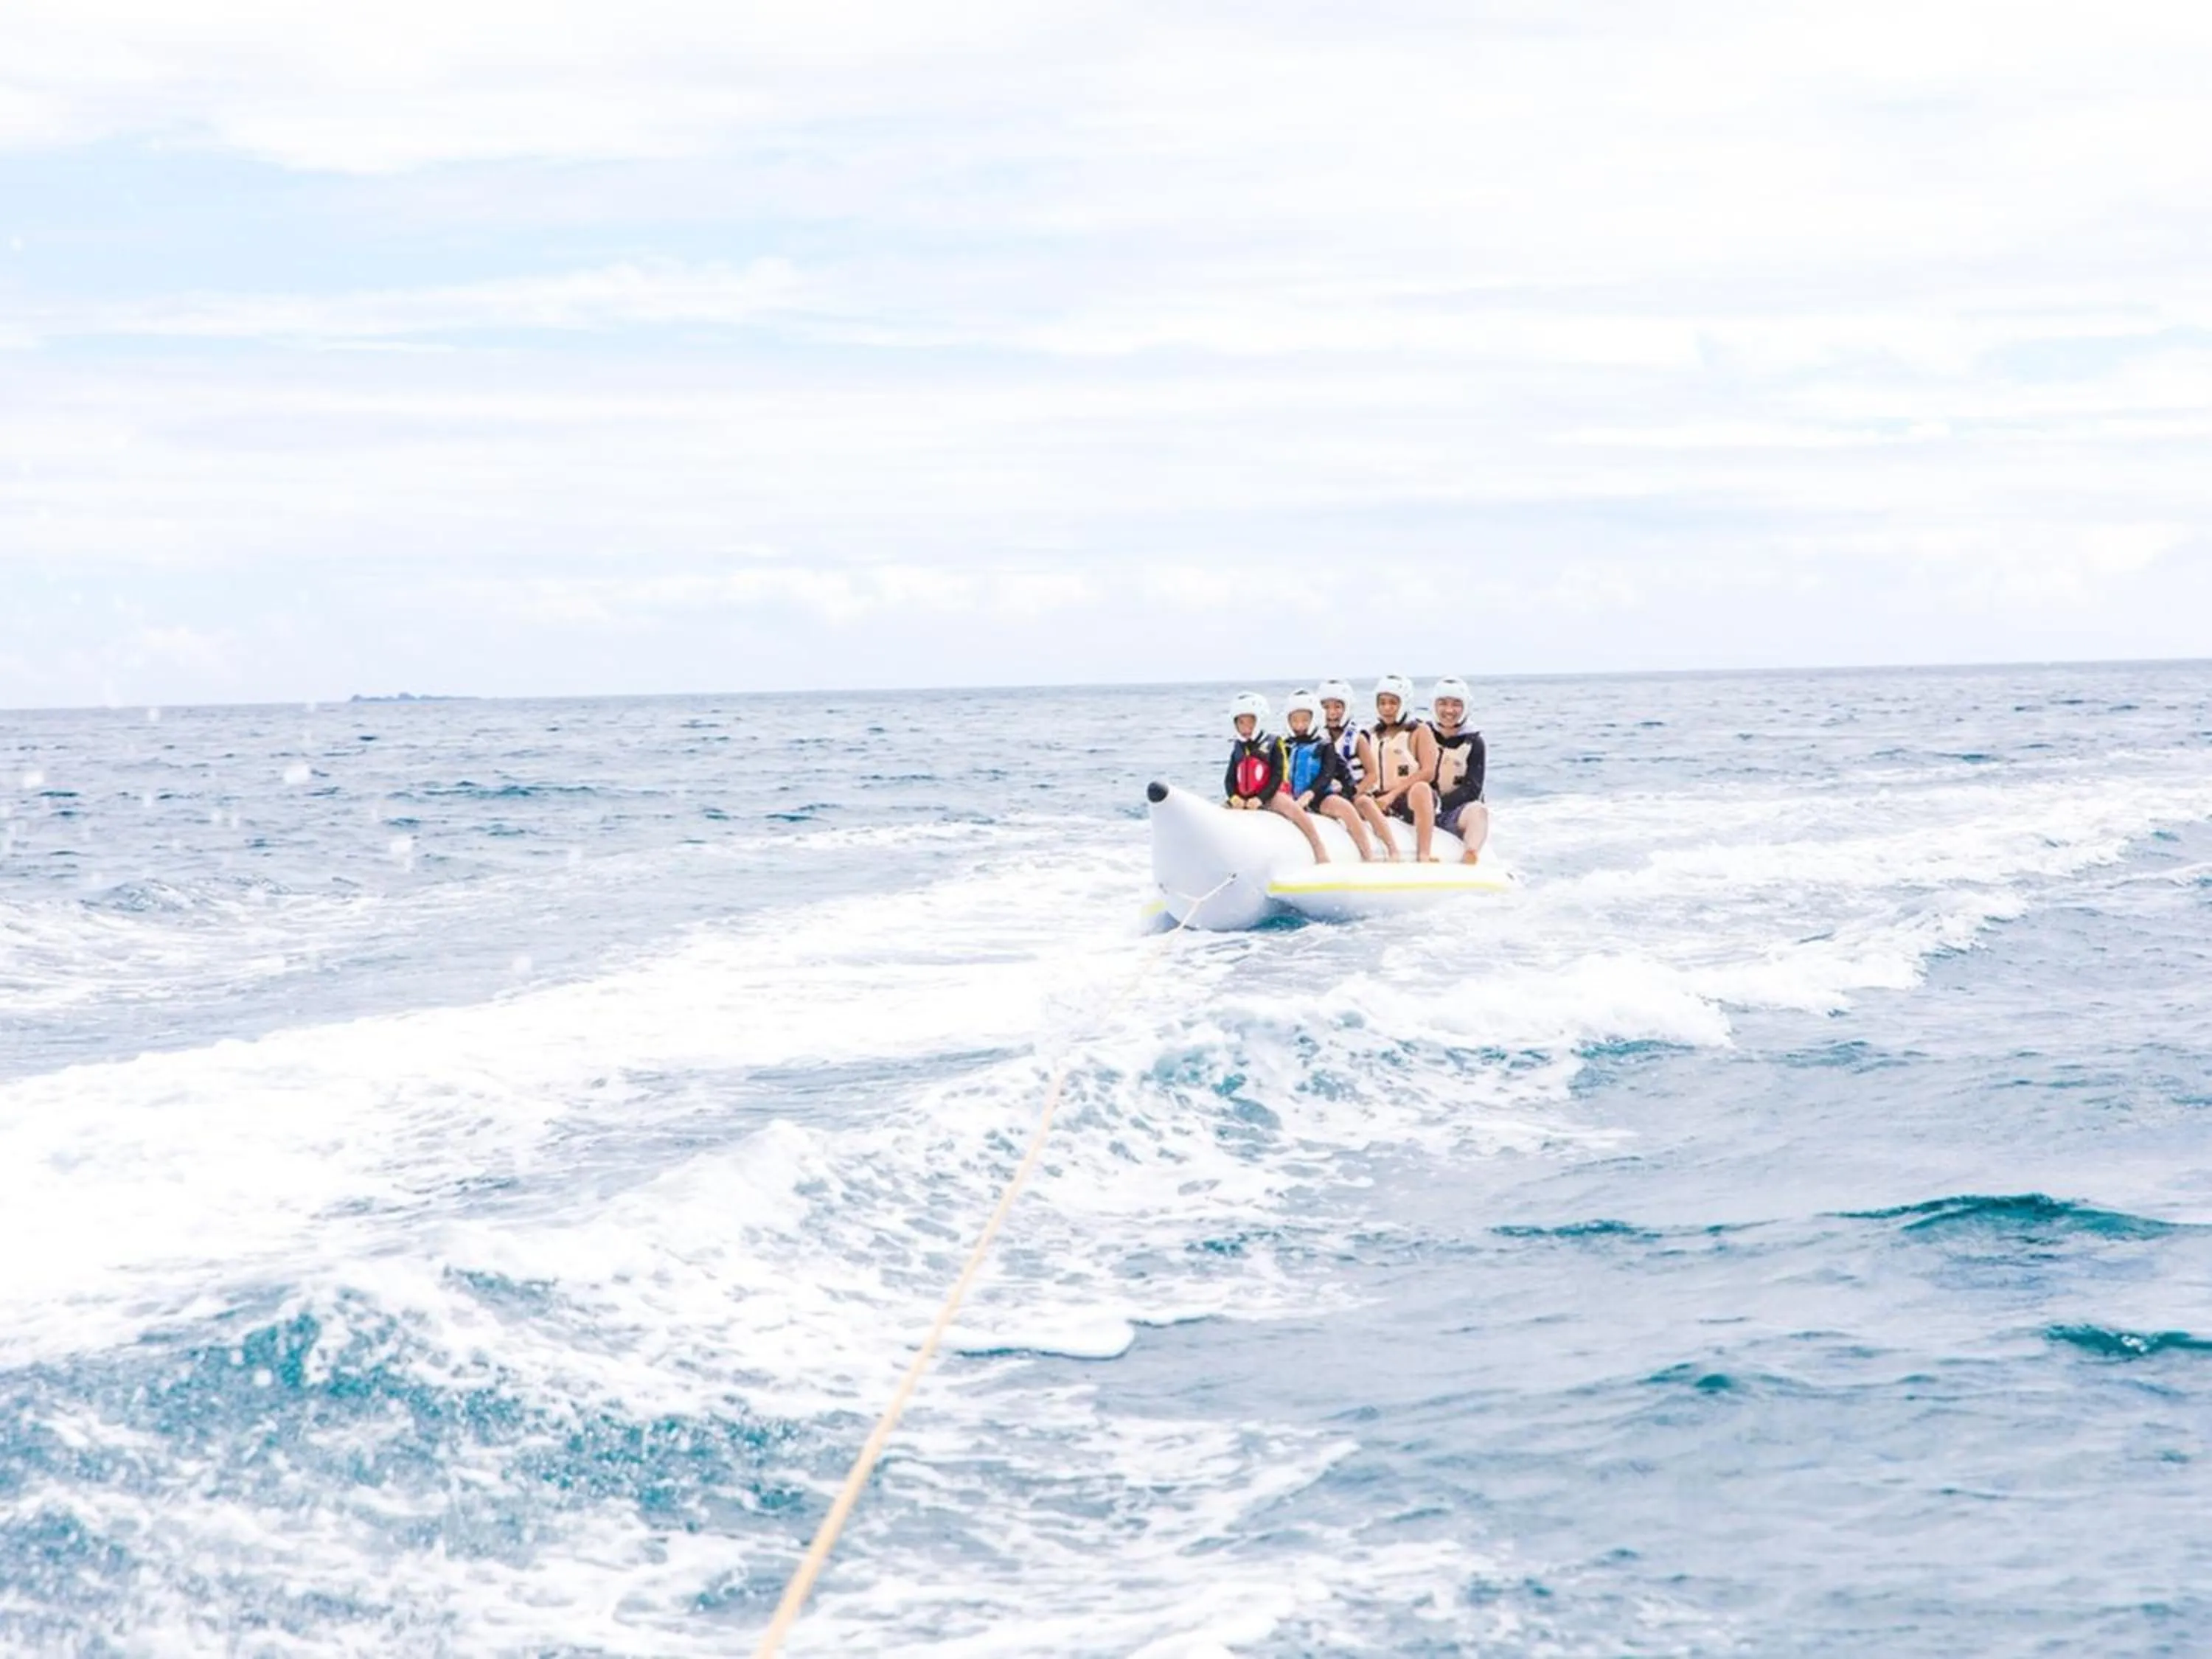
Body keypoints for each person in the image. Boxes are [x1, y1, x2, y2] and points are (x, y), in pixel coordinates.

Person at [1222, 692, 1330, 863]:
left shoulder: (1273, 743)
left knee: (1292, 809)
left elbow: (1277, 776)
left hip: (1271, 794)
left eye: (1251, 722)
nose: (1246, 728)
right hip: (1243, 798)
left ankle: (1318, 846)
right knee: (1221, 811)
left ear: (1260, 721)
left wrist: (1261, 798)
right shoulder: (1238, 748)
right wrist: (1234, 797)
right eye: (1241, 723)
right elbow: (1229, 779)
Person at [1281, 689, 1379, 860]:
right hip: (1293, 797)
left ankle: (1368, 854)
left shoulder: (1324, 745)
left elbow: (1330, 773)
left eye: (1305, 720)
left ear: (1314, 719)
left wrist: (1313, 793)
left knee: (1345, 808)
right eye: (1294, 720)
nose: (1299, 725)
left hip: (1320, 796)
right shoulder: (1286, 746)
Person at [1318, 676, 1396, 860]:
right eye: (1326, 707)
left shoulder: (1357, 738)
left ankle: (1392, 848)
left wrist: (1354, 792)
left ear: (1347, 708)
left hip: (1356, 792)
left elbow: (1372, 774)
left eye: (1337, 707)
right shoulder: (1319, 739)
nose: (1332, 712)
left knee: (1364, 803)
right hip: (1329, 795)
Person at [1368, 673, 1441, 860]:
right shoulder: (1372, 734)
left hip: (1409, 799)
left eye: (1393, 703)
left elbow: (1428, 771)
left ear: (1404, 703)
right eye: (1382, 702)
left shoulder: (1419, 731)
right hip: (1379, 797)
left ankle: (1424, 853)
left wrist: (1392, 796)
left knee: (1422, 788)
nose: (1387, 708)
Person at [1427, 675, 1489, 864]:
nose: (1449, 710)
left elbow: (1473, 789)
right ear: (1434, 706)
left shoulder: (1474, 743)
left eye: (1456, 704)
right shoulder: (1421, 734)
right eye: (1443, 703)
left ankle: (1470, 855)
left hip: (1452, 814)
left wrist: (1440, 804)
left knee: (1478, 810)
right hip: (1418, 810)